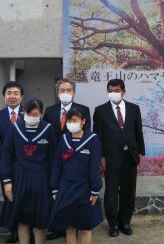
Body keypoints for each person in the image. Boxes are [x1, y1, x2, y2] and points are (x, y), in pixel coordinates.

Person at [93, 79, 145, 237]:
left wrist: (140, 151)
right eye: (110, 90)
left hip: (130, 156)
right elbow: (97, 136)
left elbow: (138, 131)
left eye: (116, 90)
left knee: (128, 191)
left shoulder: (134, 108)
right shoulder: (100, 110)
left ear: (123, 91)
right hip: (110, 158)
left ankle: (125, 222)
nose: (113, 93)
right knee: (111, 192)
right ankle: (113, 224)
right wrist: (100, 156)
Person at [0, 98, 56, 244]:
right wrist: (7, 181)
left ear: (42, 114)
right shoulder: (14, 128)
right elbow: (6, 155)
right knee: (21, 219)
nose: (32, 116)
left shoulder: (48, 129)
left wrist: (54, 184)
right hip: (20, 178)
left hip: (42, 179)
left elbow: (54, 158)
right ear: (24, 112)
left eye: (36, 114)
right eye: (29, 113)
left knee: (40, 221)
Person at [43, 78, 91, 240]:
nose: (65, 93)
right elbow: (46, 134)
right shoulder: (49, 111)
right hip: (54, 159)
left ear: (74, 92)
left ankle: (75, 226)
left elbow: (86, 136)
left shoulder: (83, 109)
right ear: (57, 93)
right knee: (56, 193)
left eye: (68, 90)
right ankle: (58, 227)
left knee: (74, 195)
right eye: (62, 90)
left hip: (75, 160)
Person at [49, 106, 103, 244]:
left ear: (83, 121)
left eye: (75, 120)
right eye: (69, 120)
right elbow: (57, 164)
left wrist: (95, 190)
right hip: (66, 188)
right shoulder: (64, 139)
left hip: (85, 189)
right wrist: (55, 188)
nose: (71, 123)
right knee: (70, 227)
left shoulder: (93, 140)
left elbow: (94, 168)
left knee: (85, 228)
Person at [0, 81, 25, 243]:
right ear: (4, 96)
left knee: (26, 197)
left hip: (26, 164)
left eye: (16, 93)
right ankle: (13, 230)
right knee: (9, 196)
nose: (12, 96)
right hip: (6, 164)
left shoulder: (28, 114)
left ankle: (27, 229)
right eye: (9, 93)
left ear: (21, 97)